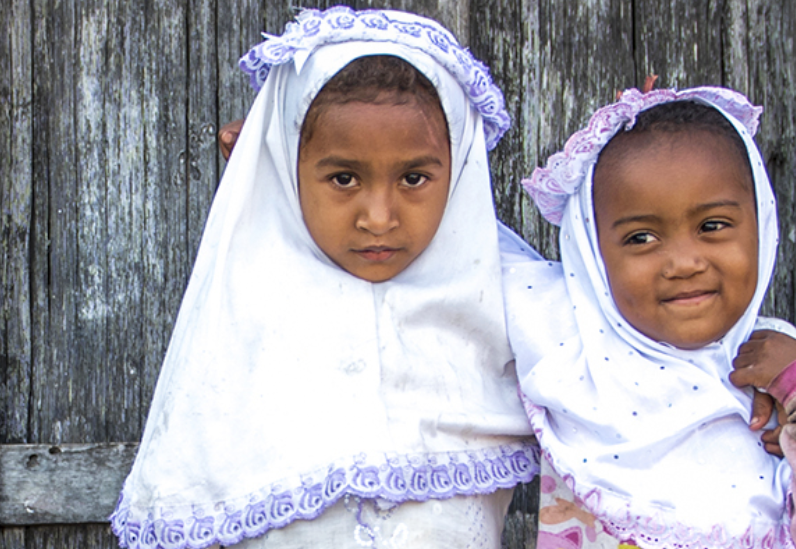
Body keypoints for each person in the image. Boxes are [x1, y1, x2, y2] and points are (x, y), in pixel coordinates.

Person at [110, 7, 539, 549]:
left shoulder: (511, 308)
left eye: (413, 177)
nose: (379, 218)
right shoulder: (237, 326)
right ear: (283, 167)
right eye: (343, 177)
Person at [501, 87, 796, 548]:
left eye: (712, 226)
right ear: (590, 254)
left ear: (761, 221)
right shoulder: (568, 341)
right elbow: (454, 257)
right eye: (641, 238)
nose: (684, 262)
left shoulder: (782, 377)